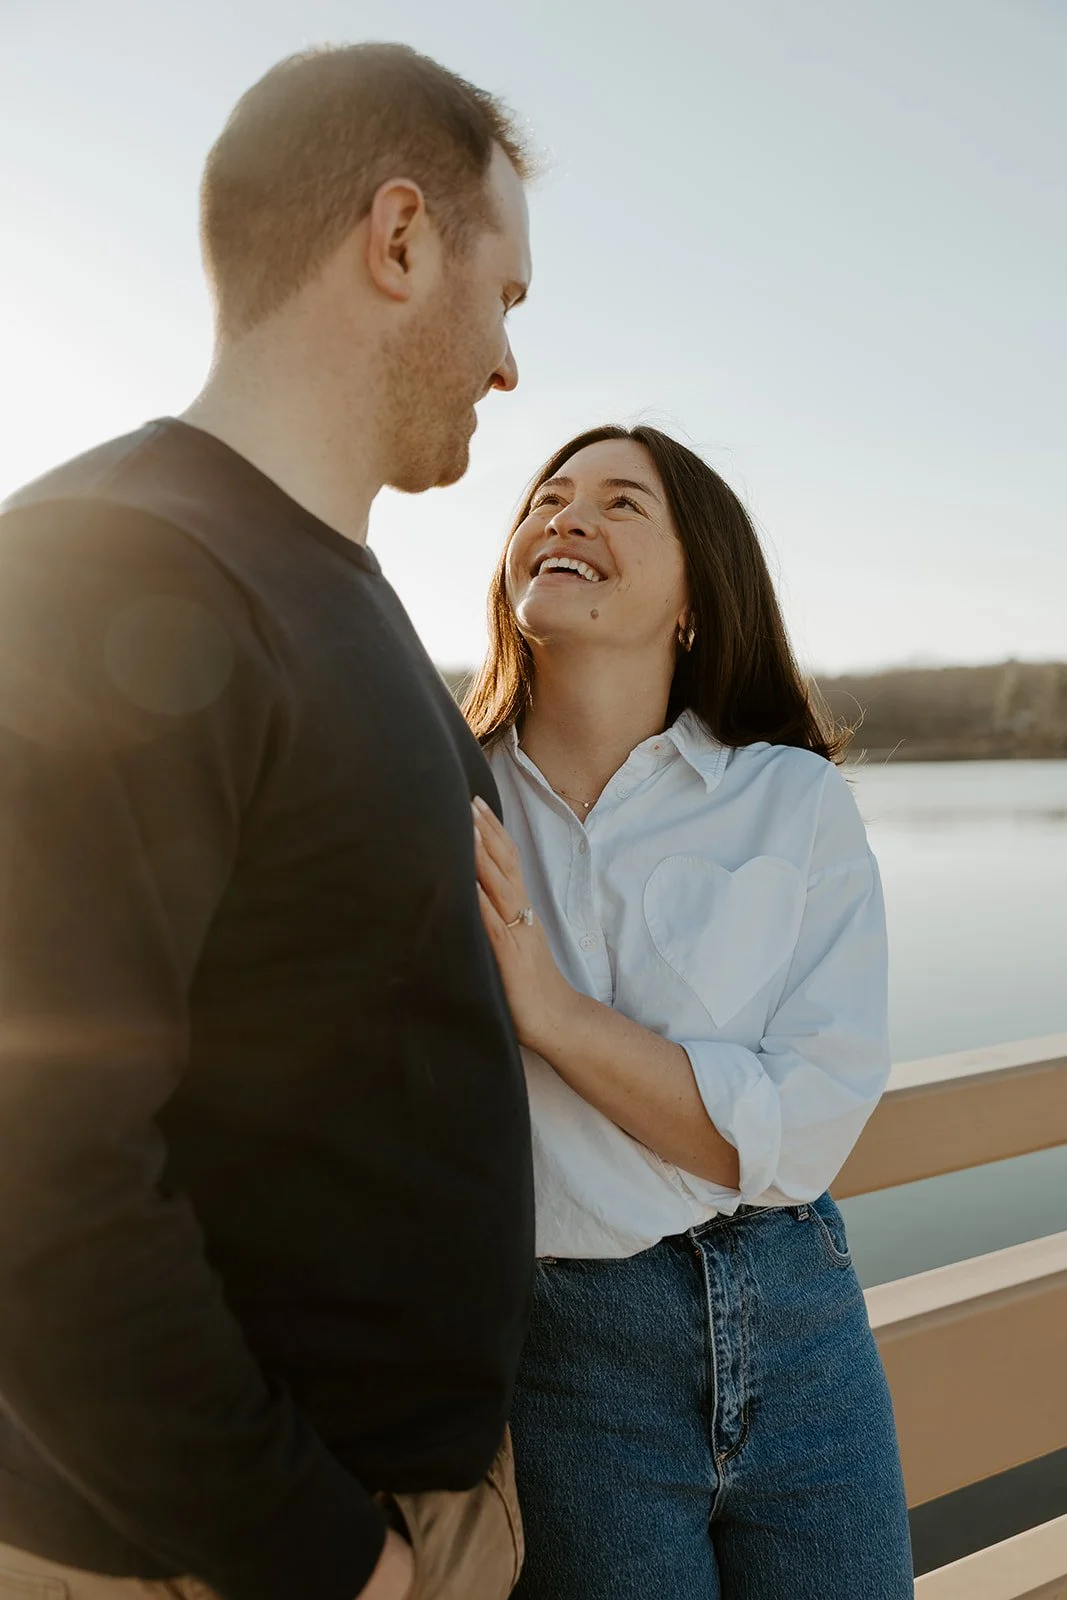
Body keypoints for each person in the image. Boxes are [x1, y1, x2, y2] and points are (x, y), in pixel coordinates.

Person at [0, 43, 534, 1600]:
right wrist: (327, 1560)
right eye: (505, 296)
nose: (508, 365)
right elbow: (35, 1162)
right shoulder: (117, 571)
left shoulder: (339, 596)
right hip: (226, 1556)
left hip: (397, 1514)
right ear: (397, 239)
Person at [465, 424, 914, 1599]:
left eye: (621, 504)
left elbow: (803, 1132)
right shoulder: (440, 795)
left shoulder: (791, 799)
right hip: (571, 1359)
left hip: (799, 1320)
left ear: (694, 597)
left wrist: (552, 1016)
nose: (566, 517)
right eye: (547, 498)